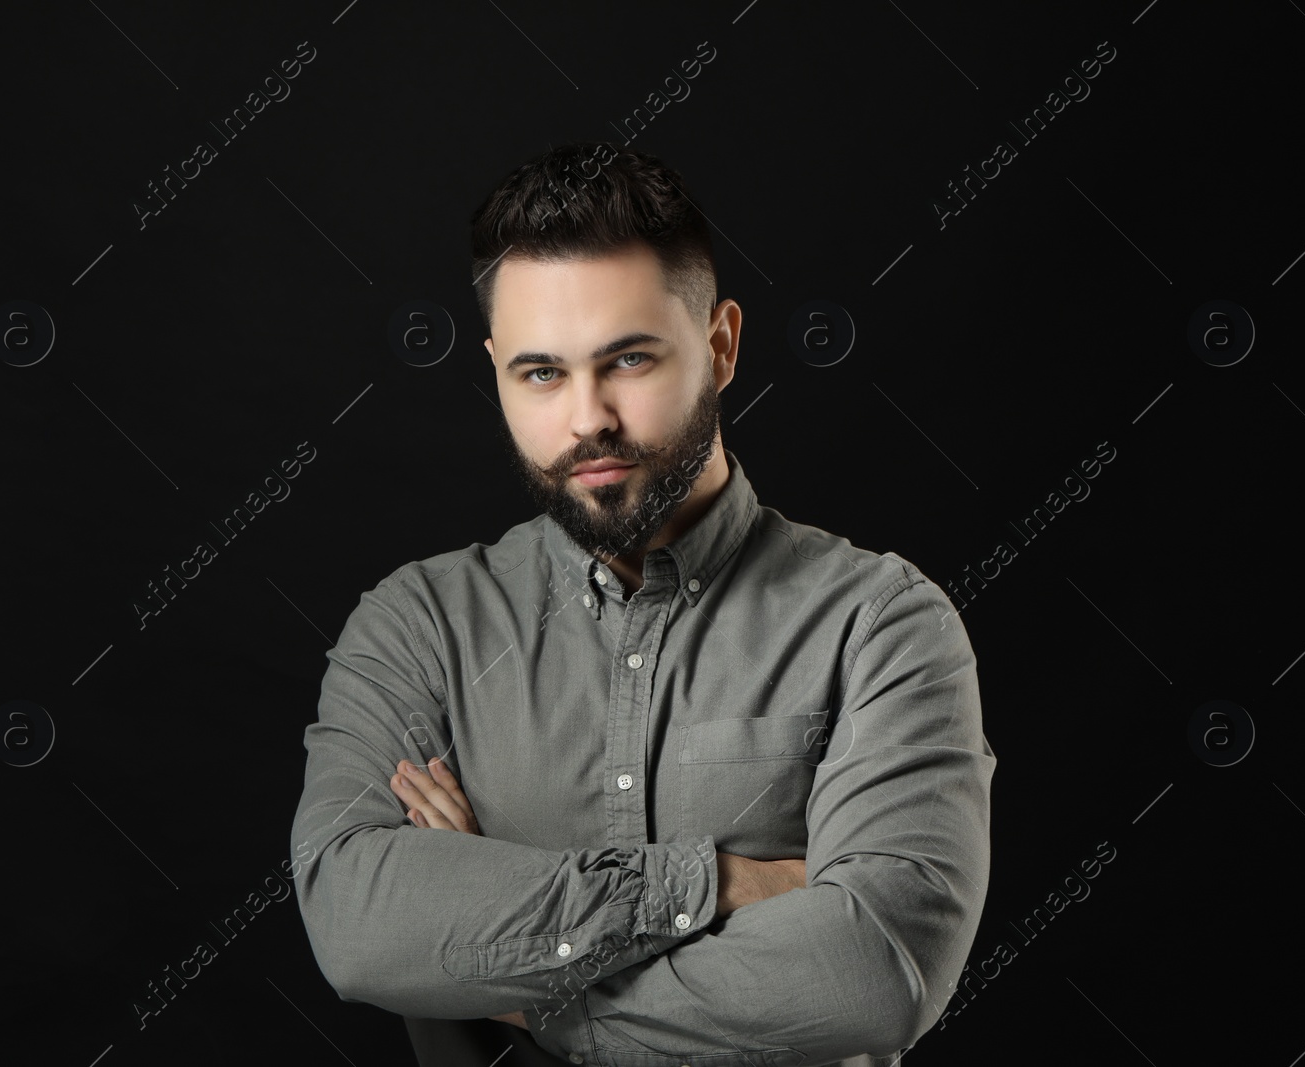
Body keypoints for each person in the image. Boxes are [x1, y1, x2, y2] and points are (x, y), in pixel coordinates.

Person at [290, 142, 996, 1066]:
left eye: (626, 360)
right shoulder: (417, 629)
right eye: (541, 373)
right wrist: (718, 882)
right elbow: (358, 926)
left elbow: (872, 972)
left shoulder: (883, 625)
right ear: (498, 369)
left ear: (721, 346)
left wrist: (522, 991)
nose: (587, 418)